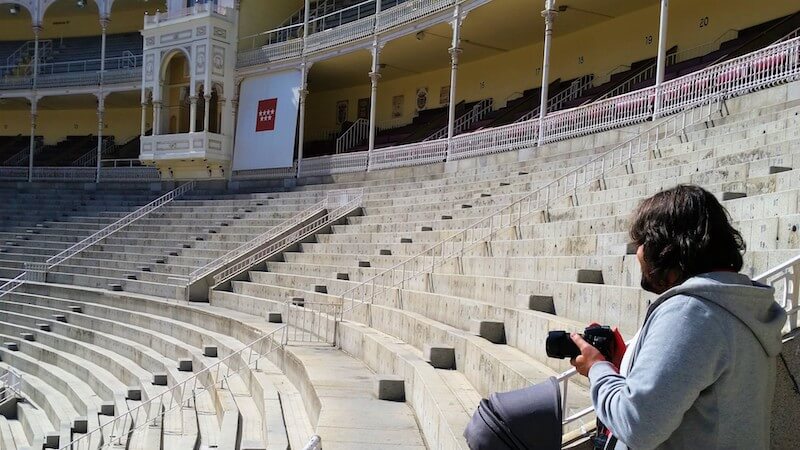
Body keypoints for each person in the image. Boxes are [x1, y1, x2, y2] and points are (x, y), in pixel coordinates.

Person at [569, 184, 787, 450]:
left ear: (664, 247)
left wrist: (597, 368)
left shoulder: (691, 312)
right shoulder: (736, 304)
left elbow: (637, 425)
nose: (637, 253)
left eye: (641, 242)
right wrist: (627, 366)